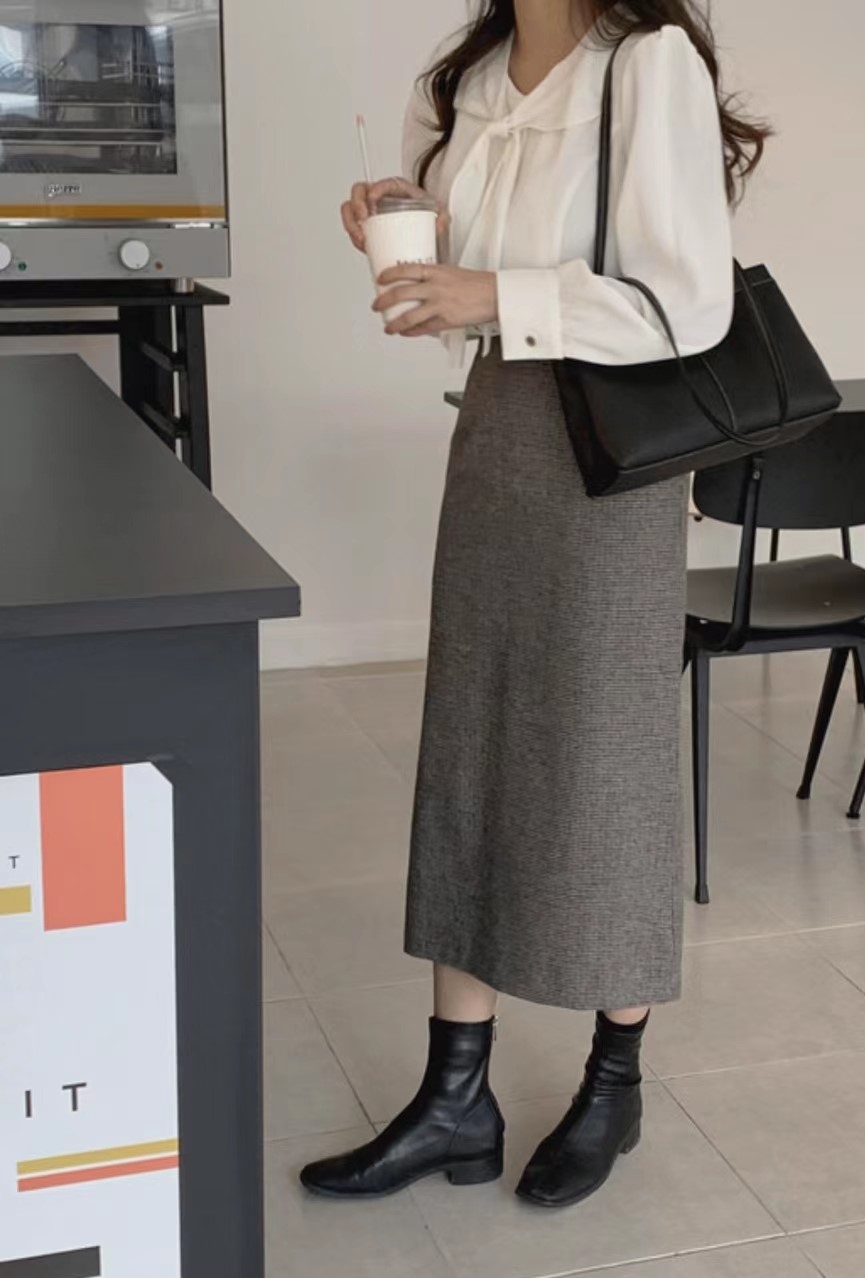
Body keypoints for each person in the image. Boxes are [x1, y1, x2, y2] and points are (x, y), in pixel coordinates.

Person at [301, 0, 768, 1210]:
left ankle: (616, 1080)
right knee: (474, 742)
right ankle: (456, 1095)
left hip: (614, 455)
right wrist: (405, 237)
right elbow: (464, 295)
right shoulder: (471, 76)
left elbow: (689, 303)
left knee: (605, 758)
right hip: (500, 428)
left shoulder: (648, 63)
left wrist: (491, 292)